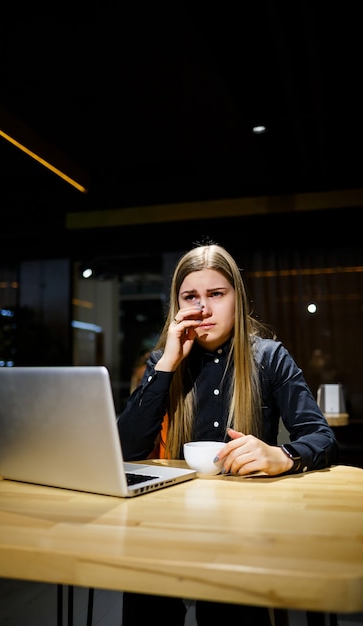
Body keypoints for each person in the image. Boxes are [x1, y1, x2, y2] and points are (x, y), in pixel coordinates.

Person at [117, 241, 339, 626]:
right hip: (168, 521)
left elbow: (321, 437)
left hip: (244, 527)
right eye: (190, 297)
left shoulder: (268, 357)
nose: (202, 308)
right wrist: (168, 362)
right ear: (177, 305)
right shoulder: (163, 361)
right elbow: (124, 448)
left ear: (237, 297)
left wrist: (282, 455)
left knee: (230, 613)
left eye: (216, 294)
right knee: (145, 603)